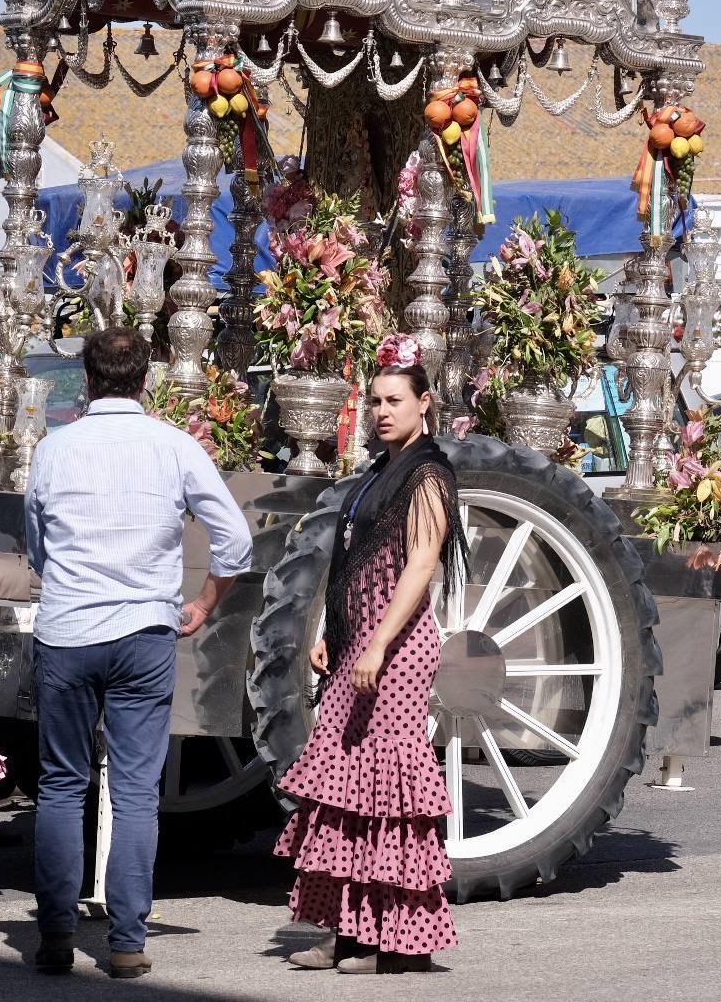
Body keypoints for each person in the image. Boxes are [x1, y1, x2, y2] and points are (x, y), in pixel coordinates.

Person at [25, 326, 252, 979]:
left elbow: (37, 545)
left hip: (68, 630)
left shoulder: (54, 449)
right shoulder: (173, 447)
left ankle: (54, 936)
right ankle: (126, 941)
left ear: (88, 381)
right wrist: (205, 601)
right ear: (146, 379)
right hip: (144, 633)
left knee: (62, 786)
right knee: (133, 792)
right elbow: (233, 539)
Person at [275, 333, 467, 974]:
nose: (383, 411)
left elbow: (419, 567)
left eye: (395, 400)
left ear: (425, 404)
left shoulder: (429, 474)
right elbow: (353, 565)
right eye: (377, 400)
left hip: (399, 649)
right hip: (361, 644)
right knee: (341, 789)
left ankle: (394, 941)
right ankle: (341, 929)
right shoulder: (381, 472)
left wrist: (380, 642)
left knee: (387, 794)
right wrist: (337, 630)